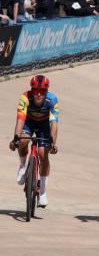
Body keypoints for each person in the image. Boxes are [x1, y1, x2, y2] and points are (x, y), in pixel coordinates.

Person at [9, 75, 59, 208]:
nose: (38, 94)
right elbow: (20, 119)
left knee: (43, 154)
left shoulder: (52, 100)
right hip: (28, 123)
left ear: (46, 91)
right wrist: (16, 138)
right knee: (23, 141)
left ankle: (42, 192)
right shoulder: (25, 97)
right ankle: (23, 165)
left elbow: (54, 123)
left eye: (42, 91)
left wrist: (53, 141)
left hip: (44, 126)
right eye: (35, 90)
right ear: (31, 89)